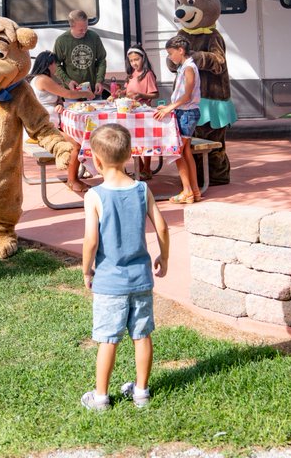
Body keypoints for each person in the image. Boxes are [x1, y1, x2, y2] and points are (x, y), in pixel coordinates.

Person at [80, 123, 169, 411]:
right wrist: (163, 256)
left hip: (110, 282)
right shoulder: (142, 190)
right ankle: (141, 391)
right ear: (130, 154)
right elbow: (162, 227)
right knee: (141, 336)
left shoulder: (94, 196)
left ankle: (101, 396)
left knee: (108, 339)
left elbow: (91, 241)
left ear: (95, 159)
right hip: (141, 279)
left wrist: (86, 269)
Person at [28, 50, 93, 193]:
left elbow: (56, 97)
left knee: (78, 138)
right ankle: (72, 180)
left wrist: (59, 104)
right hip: (44, 129)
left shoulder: (40, 79)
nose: (57, 67)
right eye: (56, 64)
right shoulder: (43, 79)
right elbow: (68, 94)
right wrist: (86, 93)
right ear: (50, 63)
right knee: (76, 144)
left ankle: (77, 175)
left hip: (49, 125)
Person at [153, 34, 201, 205]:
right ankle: (194, 190)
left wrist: (169, 108)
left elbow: (187, 96)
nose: (170, 57)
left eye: (171, 53)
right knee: (186, 152)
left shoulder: (189, 68)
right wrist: (170, 105)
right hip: (184, 111)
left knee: (177, 152)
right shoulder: (185, 67)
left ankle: (187, 191)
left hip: (186, 113)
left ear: (181, 51)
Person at [53, 9, 107, 98]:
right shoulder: (61, 41)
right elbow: (56, 64)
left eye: (86, 28)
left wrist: (99, 80)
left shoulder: (94, 37)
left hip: (92, 92)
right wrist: (68, 81)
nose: (84, 31)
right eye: (81, 29)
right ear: (71, 26)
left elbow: (101, 60)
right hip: (72, 93)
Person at [123, 45, 159, 180]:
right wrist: (120, 93)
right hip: (131, 113)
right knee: (131, 140)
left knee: (145, 141)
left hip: (144, 113)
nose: (134, 63)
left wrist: (141, 95)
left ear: (143, 58)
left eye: (136, 59)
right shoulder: (131, 75)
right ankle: (141, 167)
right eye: (131, 61)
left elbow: (155, 94)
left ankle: (147, 168)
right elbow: (127, 92)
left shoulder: (147, 74)